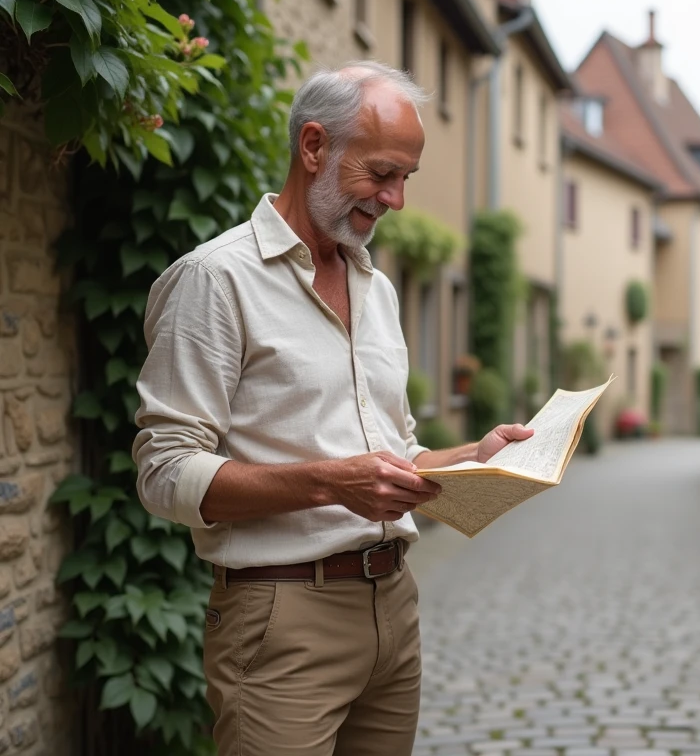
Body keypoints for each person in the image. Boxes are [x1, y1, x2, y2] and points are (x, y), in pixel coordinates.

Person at [132, 61, 532, 755]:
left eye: (407, 177)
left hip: (394, 611)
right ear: (313, 147)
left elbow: (395, 455)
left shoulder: (379, 290)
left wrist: (474, 458)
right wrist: (329, 482)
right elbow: (164, 474)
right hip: (281, 617)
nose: (397, 199)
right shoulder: (214, 280)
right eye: (382, 174)